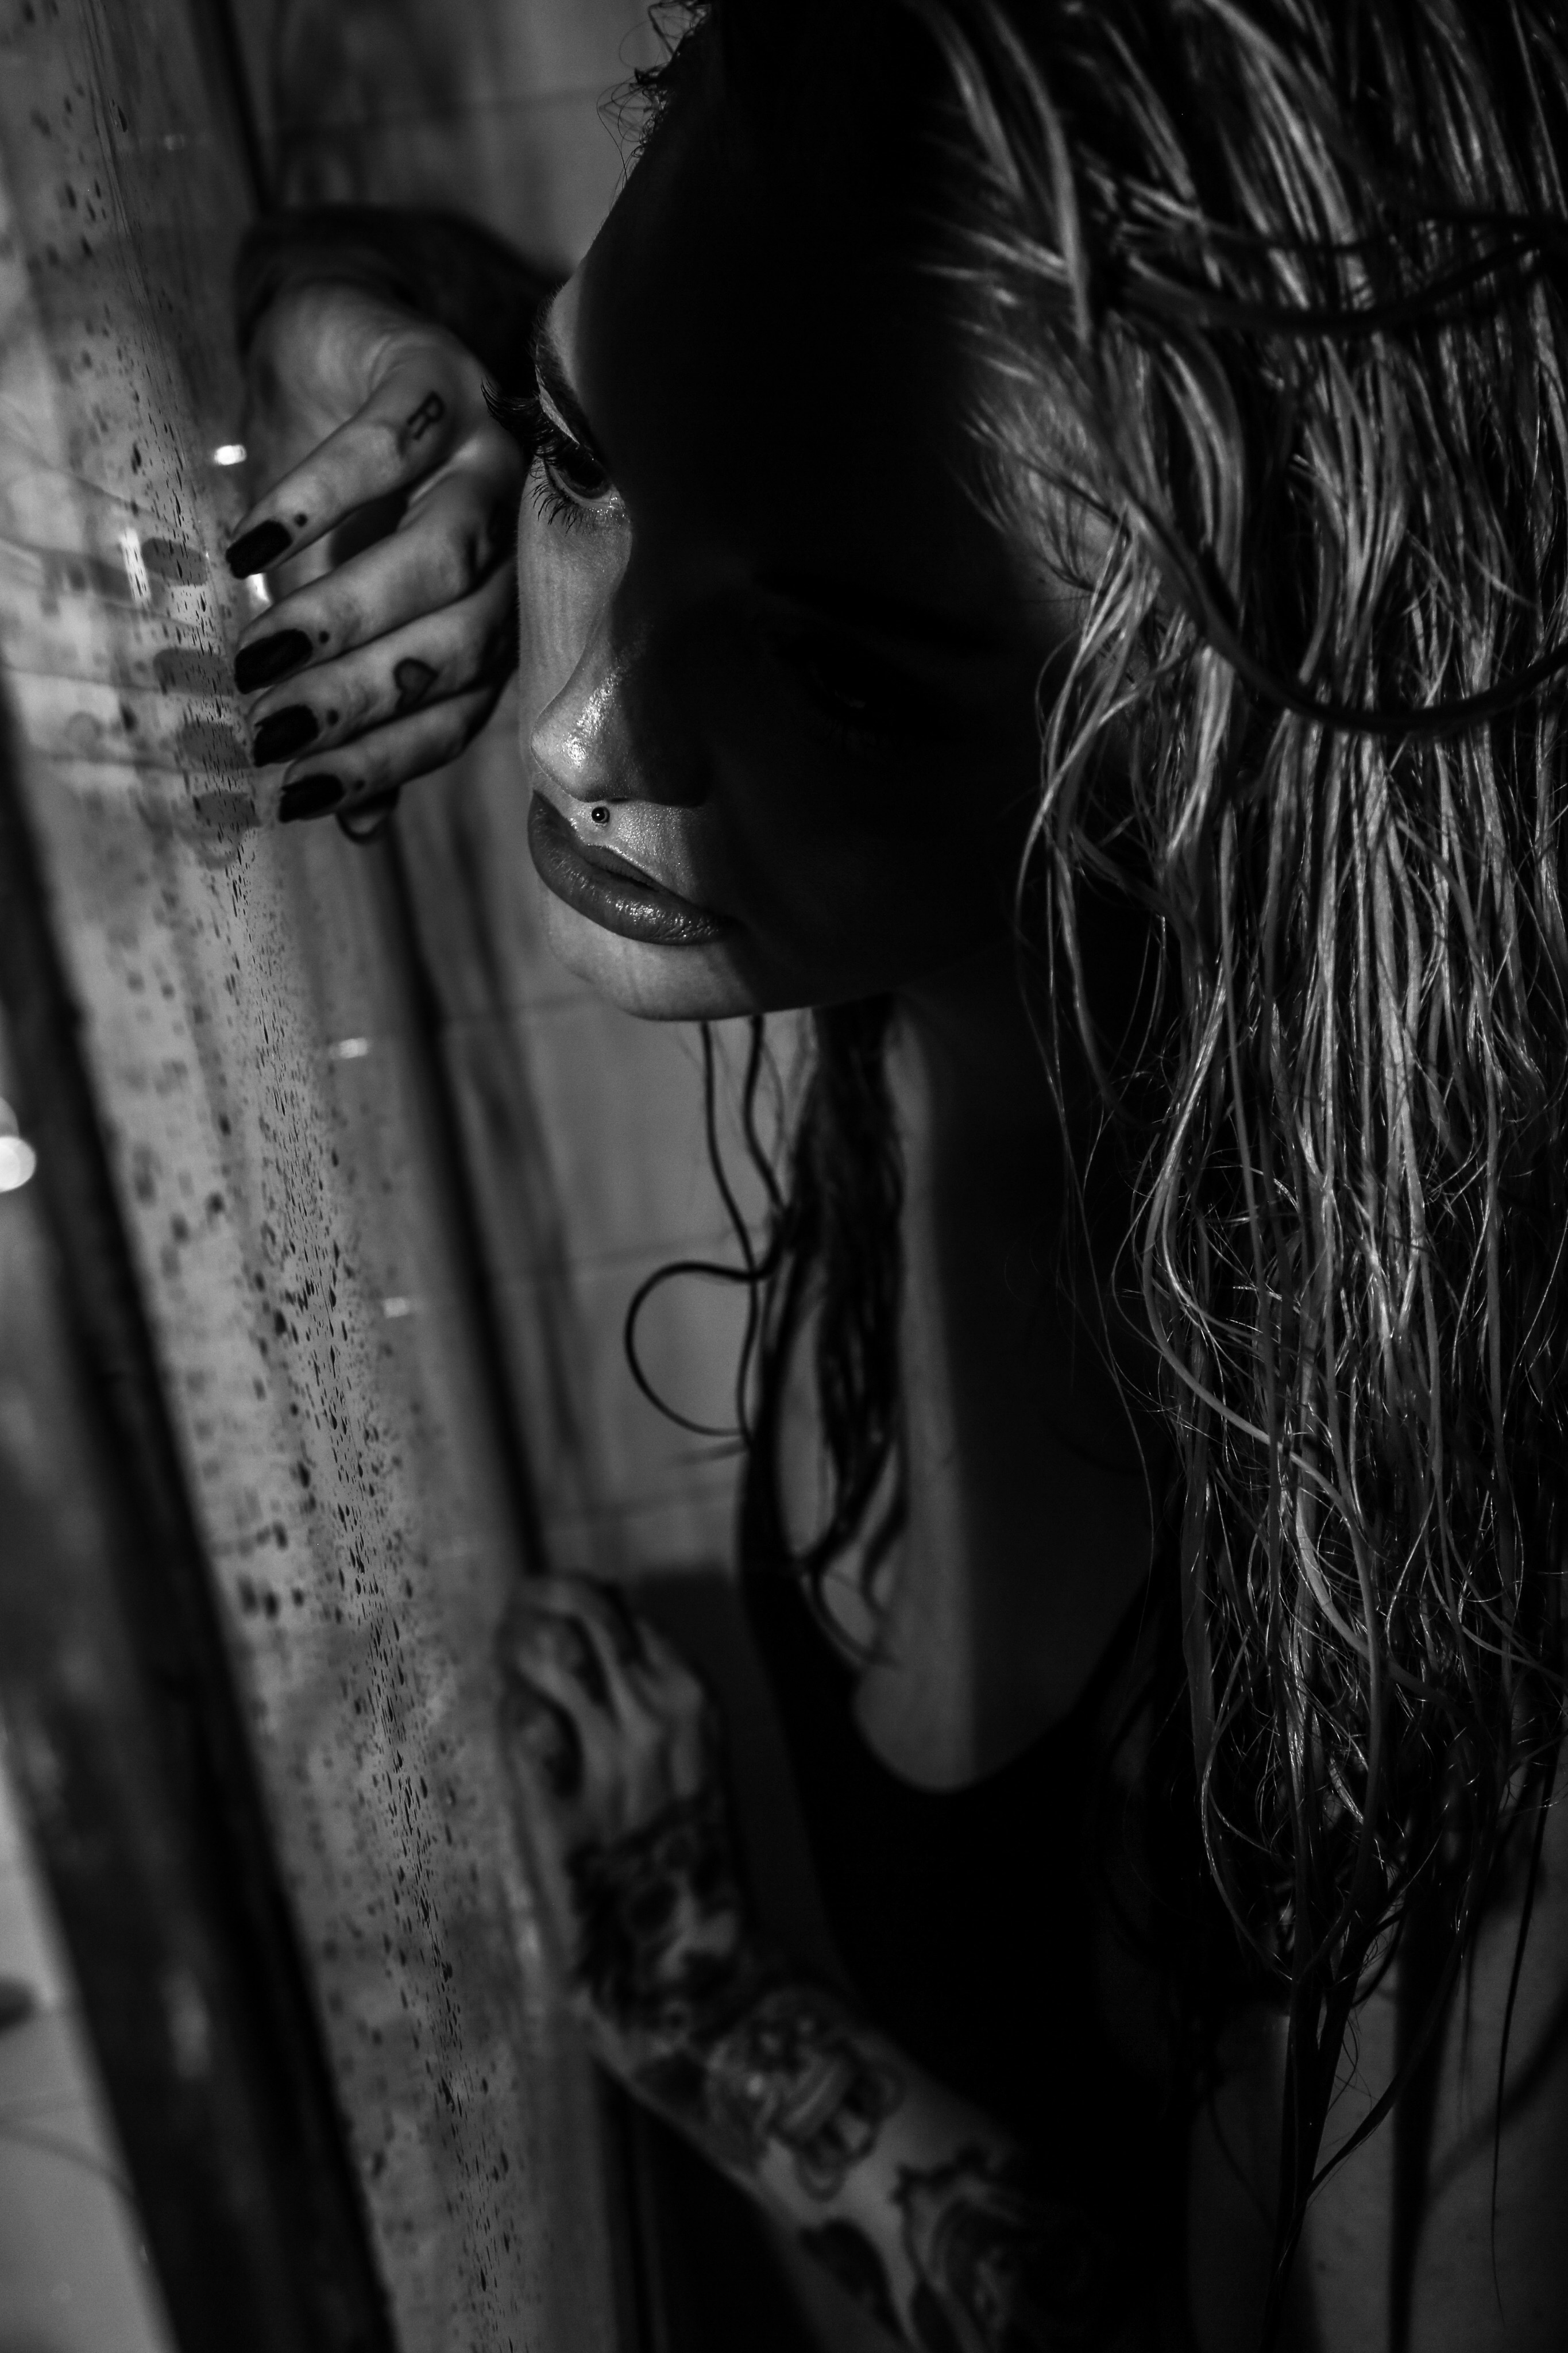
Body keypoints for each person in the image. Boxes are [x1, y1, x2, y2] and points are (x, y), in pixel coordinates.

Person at [226, 3, 1568, 2346]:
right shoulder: (933, 891)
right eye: (588, 467)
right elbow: (604, 347)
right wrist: (398, 387)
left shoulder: (1424, 1592)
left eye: (842, 679)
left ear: (1230, 752)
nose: (580, 725)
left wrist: (697, 1993)